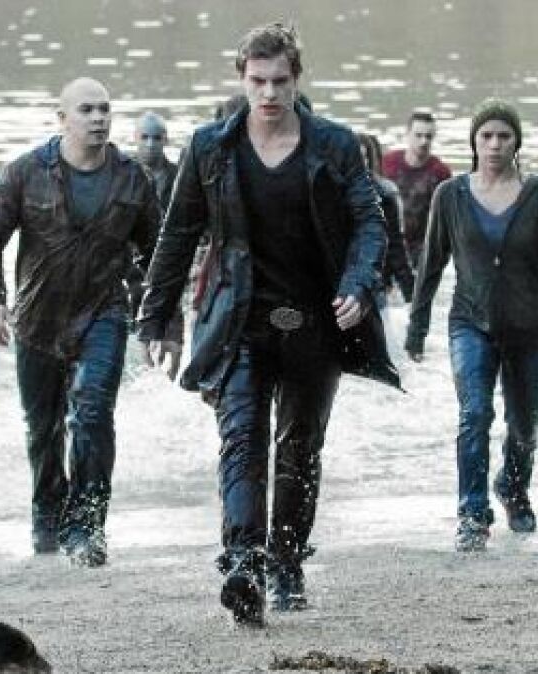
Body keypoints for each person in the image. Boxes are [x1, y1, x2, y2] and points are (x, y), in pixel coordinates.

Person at [138, 23, 399, 626]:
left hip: (314, 319)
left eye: (280, 81)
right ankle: (244, 564)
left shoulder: (333, 144)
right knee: (242, 441)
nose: (270, 93)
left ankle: (287, 563)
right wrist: (157, 318)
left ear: (297, 79)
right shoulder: (211, 147)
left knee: (300, 448)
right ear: (241, 79)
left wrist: (359, 283)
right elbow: (178, 234)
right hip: (240, 318)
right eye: (258, 81)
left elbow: (370, 222)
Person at [0, 77, 174, 567]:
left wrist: (164, 324)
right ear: (62, 119)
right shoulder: (25, 172)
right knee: (43, 429)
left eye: (104, 109)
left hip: (104, 312)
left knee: (93, 413)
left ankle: (87, 525)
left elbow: (158, 254)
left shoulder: (131, 179)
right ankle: (47, 516)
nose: (99, 118)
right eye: (87, 110)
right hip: (38, 318)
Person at [405, 99, 538, 553]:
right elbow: (431, 264)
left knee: (523, 427)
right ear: (474, 142)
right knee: (475, 414)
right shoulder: (451, 195)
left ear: (516, 142)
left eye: (504, 136)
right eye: (487, 136)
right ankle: (472, 514)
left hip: (528, 328)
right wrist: (417, 327)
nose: (495, 144)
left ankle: (513, 488)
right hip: (470, 323)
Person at [126, 111, 183, 368]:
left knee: (173, 344)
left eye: (157, 138)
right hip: (132, 260)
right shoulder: (123, 174)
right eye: (145, 137)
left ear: (166, 140)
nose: (150, 144)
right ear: (135, 138)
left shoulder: (179, 176)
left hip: (169, 259)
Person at [381, 112, 452, 270]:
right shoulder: (387, 163)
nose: (423, 141)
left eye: (428, 136)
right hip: (388, 241)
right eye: (418, 135)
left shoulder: (440, 172)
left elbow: (447, 218)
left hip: (421, 248)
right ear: (407, 135)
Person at [358, 132, 415, 302]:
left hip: (376, 286)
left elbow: (395, 244)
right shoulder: (329, 196)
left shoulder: (385, 196)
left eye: (363, 157)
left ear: (369, 161)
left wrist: (410, 292)